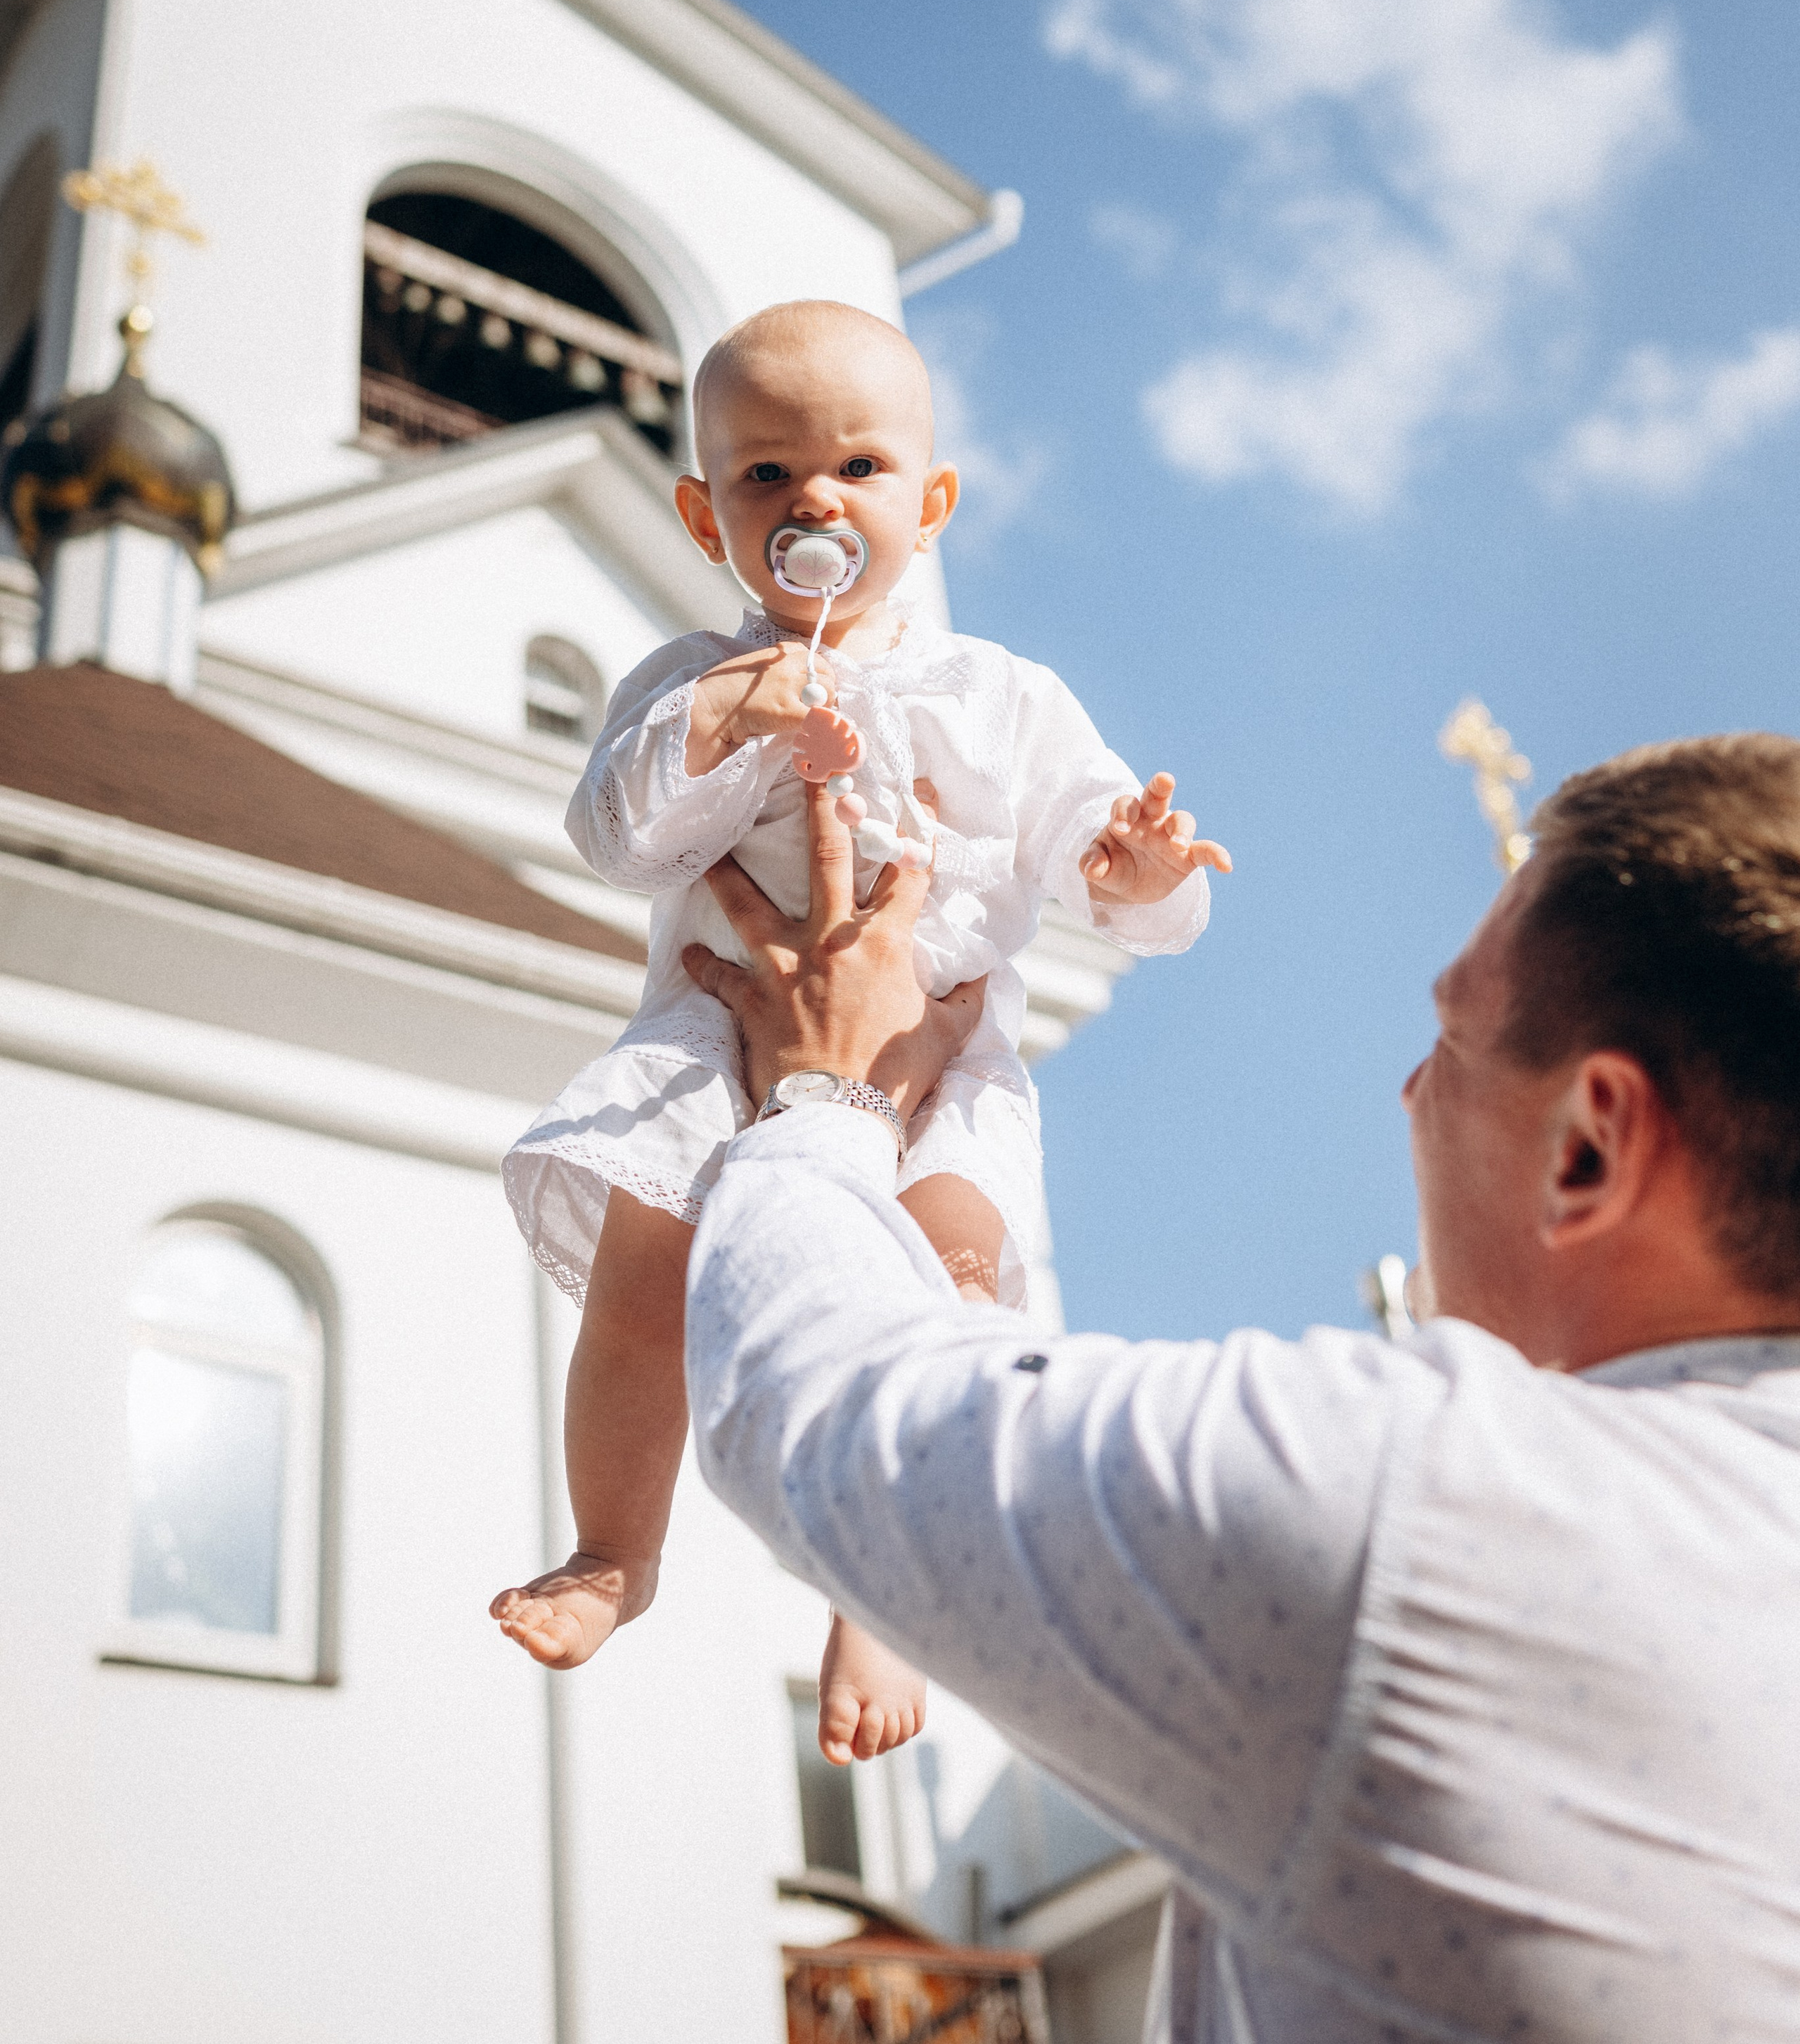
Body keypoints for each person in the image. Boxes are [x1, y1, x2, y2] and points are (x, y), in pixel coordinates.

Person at [679, 735, 1800, 2041]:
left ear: (1591, 1144)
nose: (1409, 1090)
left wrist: (824, 1083)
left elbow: (820, 1405)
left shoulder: (1432, 1511)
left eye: (1450, 1038)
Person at [490, 300, 1229, 1769]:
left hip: (937, 1062)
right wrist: (726, 719)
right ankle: (612, 1549)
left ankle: (882, 1590)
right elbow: (617, 835)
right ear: (706, 517)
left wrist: (1134, 873)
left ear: (928, 504)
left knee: (949, 1288)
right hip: (720, 1045)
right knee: (641, 1278)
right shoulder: (694, 678)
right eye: (764, 478)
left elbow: (1099, 858)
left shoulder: (1001, 693)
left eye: (857, 468)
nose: (812, 499)